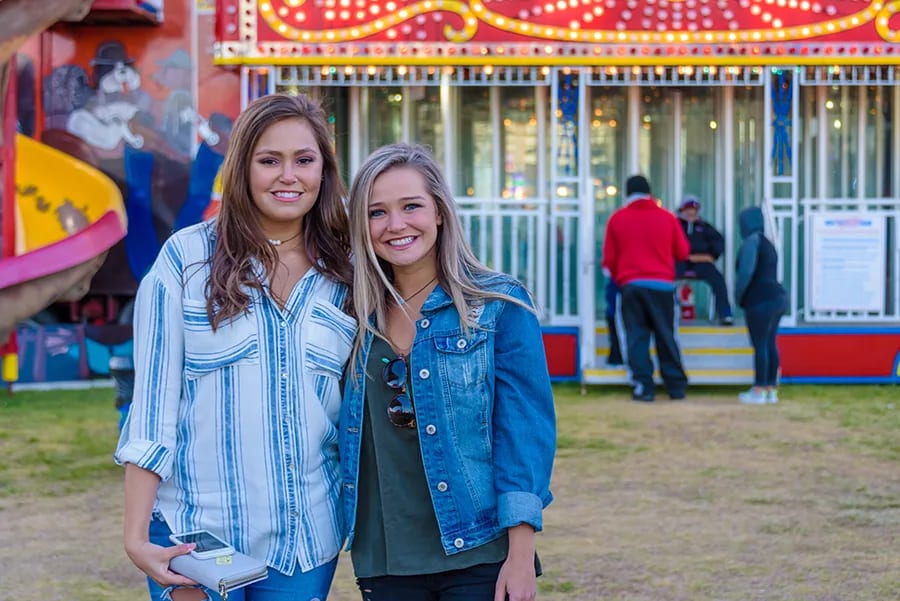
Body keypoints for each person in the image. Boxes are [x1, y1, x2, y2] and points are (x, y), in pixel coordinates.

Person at [114, 93, 356, 601]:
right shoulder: (186, 260)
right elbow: (152, 406)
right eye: (269, 160)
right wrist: (136, 537)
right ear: (242, 167)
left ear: (324, 170)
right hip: (194, 535)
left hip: (305, 539)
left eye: (304, 160)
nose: (288, 176)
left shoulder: (347, 271)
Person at [341, 143, 556, 601]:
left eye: (411, 206)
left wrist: (520, 556)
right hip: (385, 557)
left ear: (439, 211)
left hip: (479, 551)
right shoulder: (350, 314)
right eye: (377, 212)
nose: (396, 225)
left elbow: (523, 434)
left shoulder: (498, 305)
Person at [602, 175, 690, 402]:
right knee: (666, 335)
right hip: (663, 286)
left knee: (636, 337)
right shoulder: (668, 217)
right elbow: (683, 252)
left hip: (631, 286)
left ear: (627, 193)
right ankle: (676, 386)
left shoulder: (617, 219)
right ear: (650, 192)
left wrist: (622, 277)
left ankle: (644, 386)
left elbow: (609, 261)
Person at [734, 206, 787, 405]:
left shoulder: (751, 241)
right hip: (778, 297)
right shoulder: (768, 244)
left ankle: (759, 389)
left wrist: (739, 296)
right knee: (770, 343)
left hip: (760, 300)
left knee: (760, 345)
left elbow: (746, 272)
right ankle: (771, 390)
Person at [676, 196, 734, 325]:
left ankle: (725, 314)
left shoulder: (705, 227)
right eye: (687, 209)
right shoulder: (675, 226)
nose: (691, 213)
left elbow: (718, 244)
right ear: (681, 210)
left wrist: (711, 256)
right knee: (664, 279)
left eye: (694, 210)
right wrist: (686, 256)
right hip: (679, 261)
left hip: (702, 263)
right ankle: (663, 315)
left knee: (718, 281)